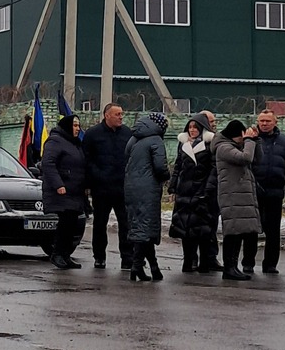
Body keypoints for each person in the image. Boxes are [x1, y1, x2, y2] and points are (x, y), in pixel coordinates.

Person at [81, 102, 132, 271]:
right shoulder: (93, 134)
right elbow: (86, 160)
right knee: (100, 224)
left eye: (121, 114)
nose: (121, 117)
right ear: (107, 115)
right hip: (101, 188)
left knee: (125, 224)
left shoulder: (127, 133)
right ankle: (99, 257)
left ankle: (127, 257)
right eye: (117, 114)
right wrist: (94, 179)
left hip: (122, 187)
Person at [122, 110, 170, 281]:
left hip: (131, 187)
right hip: (148, 189)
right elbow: (160, 167)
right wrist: (167, 176)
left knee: (140, 228)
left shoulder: (133, 139)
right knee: (145, 229)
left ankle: (153, 267)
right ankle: (136, 267)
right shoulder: (156, 140)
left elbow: (126, 160)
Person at [250, 108, 285, 274]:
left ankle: (270, 265)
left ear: (275, 122)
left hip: (275, 193)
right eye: (261, 121)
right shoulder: (251, 139)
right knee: (251, 229)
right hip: (253, 192)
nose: (264, 124)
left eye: (268, 121)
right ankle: (248, 263)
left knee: (273, 231)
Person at [167, 117, 220, 273]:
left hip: (202, 193)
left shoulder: (210, 144)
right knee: (185, 228)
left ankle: (204, 263)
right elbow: (178, 166)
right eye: (190, 127)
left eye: (195, 127)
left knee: (203, 229)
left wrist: (207, 189)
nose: (192, 130)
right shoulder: (183, 144)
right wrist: (173, 186)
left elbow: (213, 169)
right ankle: (188, 262)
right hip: (185, 191)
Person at [39, 112, 89, 270]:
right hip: (62, 189)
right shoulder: (55, 141)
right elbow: (48, 163)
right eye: (74, 125)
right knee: (66, 222)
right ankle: (57, 254)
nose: (77, 129)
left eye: (78, 126)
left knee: (72, 223)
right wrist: (58, 185)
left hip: (75, 190)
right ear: (67, 126)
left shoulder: (74, 143)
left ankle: (65, 255)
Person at [215, 120, 261, 280]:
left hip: (239, 195)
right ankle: (229, 267)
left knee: (238, 232)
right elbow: (246, 158)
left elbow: (256, 158)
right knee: (232, 232)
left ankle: (233, 267)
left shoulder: (234, 146)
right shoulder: (223, 148)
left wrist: (255, 140)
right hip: (231, 195)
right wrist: (249, 141)